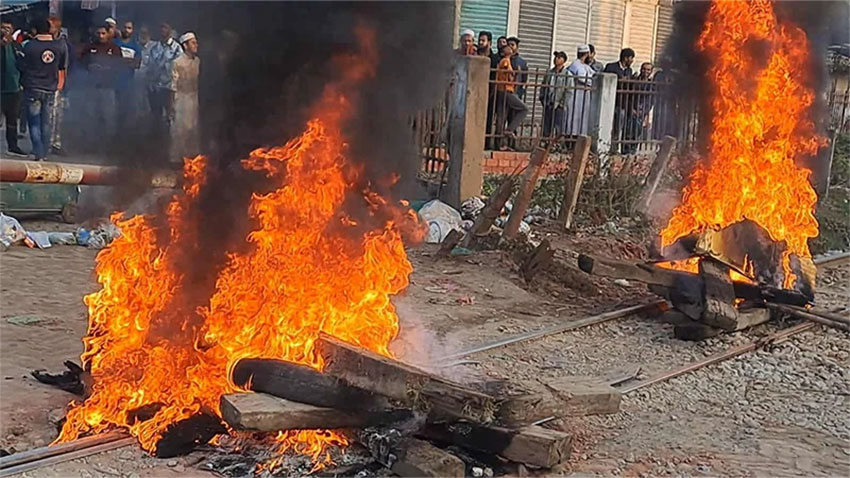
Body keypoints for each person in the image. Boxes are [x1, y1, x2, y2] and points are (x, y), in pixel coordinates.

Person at [17, 18, 66, 161]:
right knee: (46, 122)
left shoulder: (29, 46)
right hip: (50, 88)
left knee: (34, 122)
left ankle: (38, 152)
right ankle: (44, 153)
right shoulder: (59, 47)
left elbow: (21, 66)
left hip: (32, 87)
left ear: (34, 30)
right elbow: (61, 67)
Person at [82, 25, 121, 142]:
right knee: (90, 115)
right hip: (92, 87)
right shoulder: (90, 47)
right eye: (98, 33)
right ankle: (90, 140)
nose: (101, 36)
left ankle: (109, 141)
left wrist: (107, 69)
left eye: (103, 33)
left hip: (108, 87)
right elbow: (82, 63)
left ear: (108, 34)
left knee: (108, 116)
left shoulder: (114, 48)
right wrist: (89, 67)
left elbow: (119, 66)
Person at [146, 22, 182, 142]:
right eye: (161, 27)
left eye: (165, 27)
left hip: (170, 88)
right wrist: (150, 82)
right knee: (156, 116)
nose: (163, 30)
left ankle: (170, 142)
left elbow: (178, 69)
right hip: (156, 87)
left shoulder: (176, 48)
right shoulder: (155, 48)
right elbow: (150, 66)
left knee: (170, 116)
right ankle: (157, 142)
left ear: (170, 30)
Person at [171, 32, 201, 163]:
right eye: (193, 43)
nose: (196, 45)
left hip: (194, 97)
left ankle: (192, 158)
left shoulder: (198, 61)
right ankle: (177, 159)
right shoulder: (177, 62)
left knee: (194, 128)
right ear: (185, 45)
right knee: (181, 129)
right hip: (181, 99)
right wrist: (172, 103)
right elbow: (173, 85)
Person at [494, 42, 527, 151]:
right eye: (508, 47)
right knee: (524, 109)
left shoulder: (506, 61)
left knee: (502, 116)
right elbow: (509, 74)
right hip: (506, 90)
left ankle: (500, 143)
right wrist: (516, 72)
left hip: (503, 90)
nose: (510, 48)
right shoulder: (505, 61)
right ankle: (509, 130)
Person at [1, 21, 26, 156]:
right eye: (3, 28)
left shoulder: (17, 46)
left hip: (14, 88)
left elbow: (23, 64)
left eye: (8, 28)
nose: (5, 31)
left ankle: (13, 146)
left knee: (12, 120)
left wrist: (22, 82)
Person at [604, 48, 635, 152]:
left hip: (622, 103)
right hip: (610, 101)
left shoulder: (629, 71)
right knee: (607, 125)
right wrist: (619, 80)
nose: (632, 61)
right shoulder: (611, 67)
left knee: (618, 127)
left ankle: (614, 148)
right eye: (631, 58)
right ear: (625, 58)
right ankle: (605, 147)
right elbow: (606, 81)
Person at [47, 16, 70, 155]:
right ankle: (47, 142)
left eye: (50, 26)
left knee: (56, 116)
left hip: (56, 84)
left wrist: (60, 85)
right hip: (46, 83)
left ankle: (55, 143)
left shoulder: (61, 44)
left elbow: (63, 67)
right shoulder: (45, 40)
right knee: (48, 116)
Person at [114, 20, 142, 128]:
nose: (126, 30)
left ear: (133, 30)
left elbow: (137, 64)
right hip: (113, 83)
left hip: (129, 84)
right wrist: (129, 61)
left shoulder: (136, 46)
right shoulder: (115, 43)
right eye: (125, 27)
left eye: (129, 28)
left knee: (126, 112)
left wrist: (122, 60)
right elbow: (112, 61)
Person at [540, 51, 571, 138]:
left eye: (559, 57)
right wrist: (542, 98)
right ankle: (546, 141)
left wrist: (562, 104)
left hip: (559, 105)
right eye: (556, 57)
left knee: (558, 126)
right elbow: (543, 86)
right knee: (546, 126)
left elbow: (569, 91)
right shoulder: (549, 73)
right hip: (548, 103)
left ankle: (557, 143)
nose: (556, 59)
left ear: (564, 60)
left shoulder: (567, 75)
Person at [566, 45, 595, 135]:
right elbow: (582, 78)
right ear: (586, 54)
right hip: (577, 93)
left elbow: (594, 76)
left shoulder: (586, 66)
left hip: (584, 94)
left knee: (583, 116)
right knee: (574, 116)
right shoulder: (576, 65)